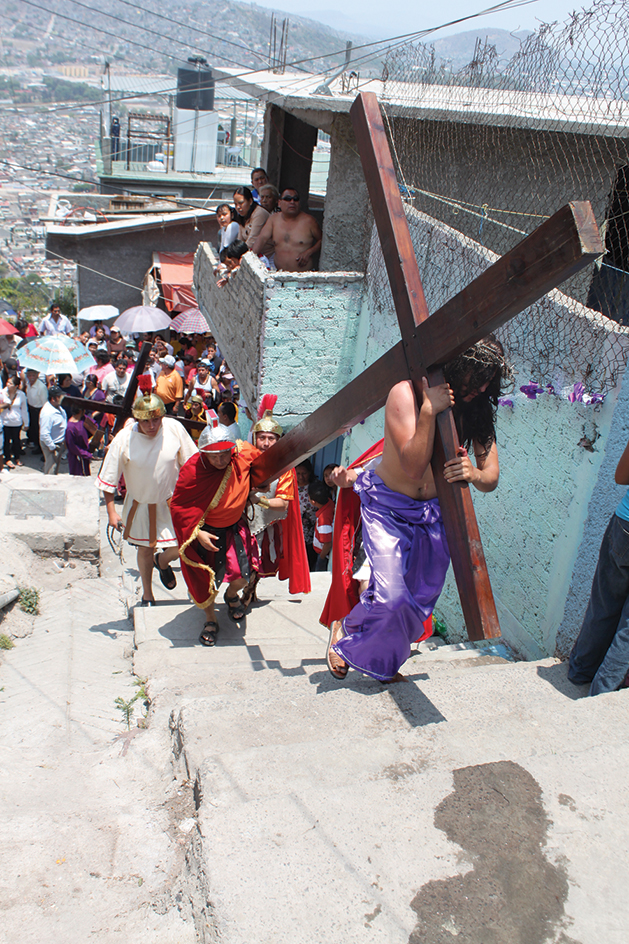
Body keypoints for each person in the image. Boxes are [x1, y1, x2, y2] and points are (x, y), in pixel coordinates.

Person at [328, 338, 510, 682]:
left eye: (489, 379)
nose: (482, 386)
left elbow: (491, 477)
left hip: (432, 515)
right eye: (477, 375)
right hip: (388, 507)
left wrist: (473, 473)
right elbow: (413, 465)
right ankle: (344, 634)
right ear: (458, 366)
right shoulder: (405, 394)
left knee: (419, 602)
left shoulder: (477, 409)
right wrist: (429, 410)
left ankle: (382, 662)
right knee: (392, 596)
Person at [96, 377, 197, 606]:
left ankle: (162, 562)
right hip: (141, 502)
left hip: (173, 502)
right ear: (137, 419)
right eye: (146, 421)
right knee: (144, 549)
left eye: (156, 420)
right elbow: (108, 477)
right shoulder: (124, 438)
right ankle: (148, 594)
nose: (152, 426)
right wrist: (112, 512)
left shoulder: (173, 428)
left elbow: (192, 462)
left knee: (185, 546)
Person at [170, 421, 265, 645]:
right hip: (204, 533)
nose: (220, 460)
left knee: (243, 576)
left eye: (224, 454)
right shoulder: (193, 470)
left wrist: (258, 484)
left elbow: (266, 460)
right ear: (203, 453)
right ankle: (210, 619)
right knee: (205, 583)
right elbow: (178, 506)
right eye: (214, 456)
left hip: (233, 529)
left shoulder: (242, 456)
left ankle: (231, 596)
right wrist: (196, 532)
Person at [568, 435, 629, 696]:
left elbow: (621, 476)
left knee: (603, 603)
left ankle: (580, 670)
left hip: (624, 526)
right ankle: (601, 697)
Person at [243, 396, 311, 606]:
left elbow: (283, 504)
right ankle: (245, 592)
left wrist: (258, 499)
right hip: (242, 522)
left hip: (267, 527)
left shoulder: (285, 469)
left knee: (257, 564)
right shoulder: (245, 460)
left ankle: (247, 594)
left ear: (278, 440)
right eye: (262, 437)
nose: (265, 442)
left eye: (270, 438)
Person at [251, 188, 322, 272]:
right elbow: (262, 238)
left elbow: (322, 240)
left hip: (303, 275)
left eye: (295, 199)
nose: (292, 202)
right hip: (279, 274)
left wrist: (309, 252)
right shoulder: (273, 219)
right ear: (279, 203)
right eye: (288, 199)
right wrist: (251, 258)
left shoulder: (309, 221)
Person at [233, 187, 273, 257]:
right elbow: (240, 240)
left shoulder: (259, 213)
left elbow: (251, 241)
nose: (238, 207)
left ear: (250, 201)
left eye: (241, 203)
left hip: (267, 258)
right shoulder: (242, 216)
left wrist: (234, 256)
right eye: (235, 204)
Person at [1, 374, 28, 468]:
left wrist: (26, 423)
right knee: (6, 441)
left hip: (16, 421)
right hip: (5, 421)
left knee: (16, 440)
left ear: (16, 386)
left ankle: (17, 457)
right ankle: (7, 458)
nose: (8, 384)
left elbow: (24, 409)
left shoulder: (21, 395)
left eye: (10, 383)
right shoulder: (2, 393)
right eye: (7, 382)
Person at [39, 386, 68, 474]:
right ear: (53, 399)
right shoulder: (47, 413)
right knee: (51, 469)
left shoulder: (58, 407)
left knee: (55, 467)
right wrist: (52, 446)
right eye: (59, 396)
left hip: (58, 443)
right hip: (51, 444)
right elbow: (44, 434)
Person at [296, 459, 318, 570]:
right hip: (295, 530)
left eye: (304, 473)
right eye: (298, 473)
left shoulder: (315, 487)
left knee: (308, 560)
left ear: (309, 472)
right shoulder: (291, 487)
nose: (301, 477)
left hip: (311, 530)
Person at [309, 479, 334, 572]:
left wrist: (322, 557)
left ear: (313, 501)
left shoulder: (323, 520)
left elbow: (327, 543)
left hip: (324, 555)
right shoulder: (329, 502)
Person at [23, 368, 47, 455]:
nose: (31, 377)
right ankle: (36, 445)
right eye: (29, 375)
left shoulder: (41, 387)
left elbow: (44, 403)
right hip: (31, 409)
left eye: (33, 375)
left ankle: (42, 450)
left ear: (37, 375)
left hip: (38, 410)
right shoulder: (28, 384)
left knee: (39, 430)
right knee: (33, 429)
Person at [65, 406, 94, 476]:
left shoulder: (83, 419)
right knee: (78, 477)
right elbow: (72, 447)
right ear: (81, 411)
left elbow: (94, 425)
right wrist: (86, 454)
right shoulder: (70, 428)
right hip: (77, 458)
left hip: (85, 456)